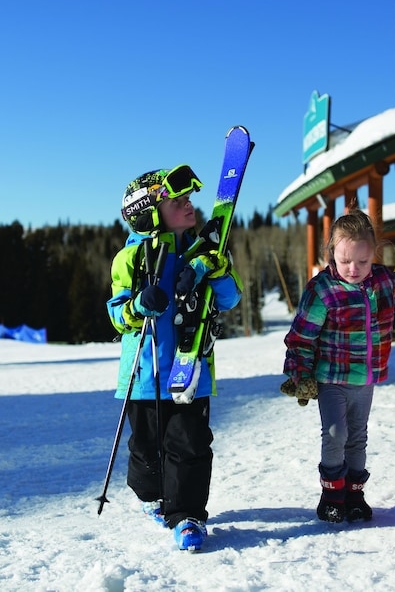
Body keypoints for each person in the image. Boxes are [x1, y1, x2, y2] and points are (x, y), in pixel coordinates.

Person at [106, 165, 242, 551]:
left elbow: (232, 299)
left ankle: (188, 517)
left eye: (188, 200)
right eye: (177, 201)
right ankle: (154, 497)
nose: (188, 206)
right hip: (145, 376)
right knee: (146, 454)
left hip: (191, 369)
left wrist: (214, 270)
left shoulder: (206, 252)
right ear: (149, 212)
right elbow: (116, 313)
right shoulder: (128, 259)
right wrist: (136, 304)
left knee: (191, 446)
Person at [283, 208, 395, 523]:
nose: (354, 269)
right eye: (345, 261)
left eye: (363, 261)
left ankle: (354, 494)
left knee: (357, 436)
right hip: (332, 378)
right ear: (332, 254)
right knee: (336, 433)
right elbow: (301, 336)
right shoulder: (322, 289)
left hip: (365, 378)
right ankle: (332, 495)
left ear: (373, 254)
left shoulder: (383, 282)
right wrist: (300, 373)